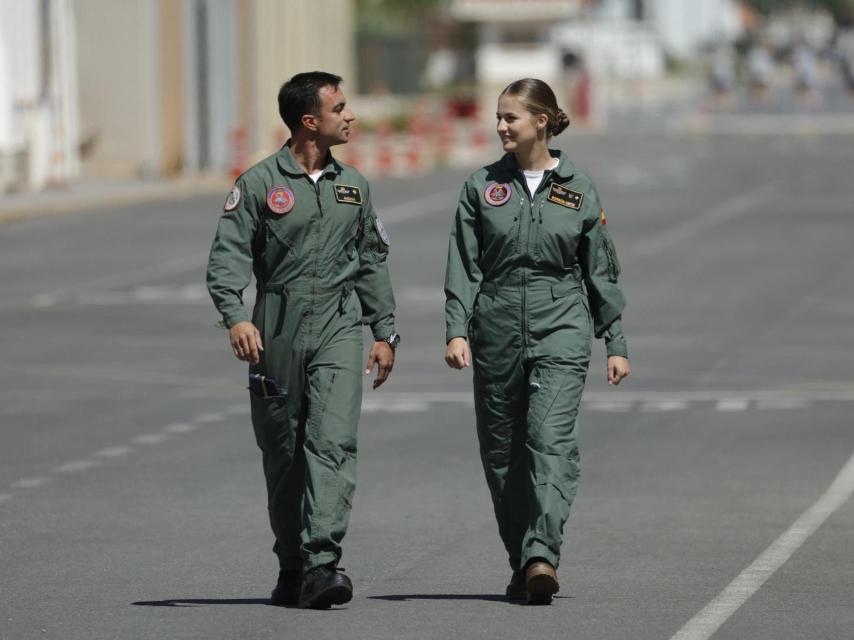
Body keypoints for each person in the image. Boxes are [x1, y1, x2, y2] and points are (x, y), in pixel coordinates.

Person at [206, 71, 399, 609]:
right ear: (309, 121)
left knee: (333, 442)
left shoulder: (353, 186)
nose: (351, 116)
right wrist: (235, 318)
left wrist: (384, 331)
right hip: (276, 330)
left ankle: (322, 563)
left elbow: (370, 261)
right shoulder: (257, 184)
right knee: (285, 451)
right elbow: (226, 259)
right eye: (340, 108)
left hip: (338, 326)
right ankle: (291, 566)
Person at [443, 78, 630, 605]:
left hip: (561, 321)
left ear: (542, 121)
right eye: (498, 118)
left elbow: (601, 269)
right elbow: (463, 264)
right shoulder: (481, 187)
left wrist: (614, 339)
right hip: (496, 325)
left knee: (550, 442)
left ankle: (543, 552)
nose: (500, 126)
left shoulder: (578, 187)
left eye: (511, 118)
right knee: (502, 454)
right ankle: (522, 559)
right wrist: (457, 328)